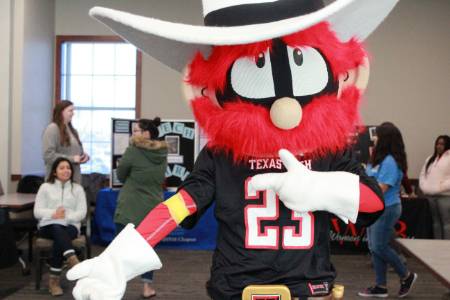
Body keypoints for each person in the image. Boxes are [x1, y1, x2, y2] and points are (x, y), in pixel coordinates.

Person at [67, 1, 400, 299]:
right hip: (252, 288)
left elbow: (371, 205)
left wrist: (322, 188)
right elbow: (182, 205)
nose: (284, 105)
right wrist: (122, 257)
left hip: (297, 288)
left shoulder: (325, 151)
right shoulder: (225, 154)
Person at [359, 122, 417, 298]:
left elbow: (381, 188)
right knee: (374, 247)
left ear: (385, 139)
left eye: (377, 135)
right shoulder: (377, 158)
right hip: (374, 208)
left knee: (379, 246)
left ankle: (406, 276)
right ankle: (381, 286)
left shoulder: (391, 161)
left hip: (387, 208)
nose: (374, 138)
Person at [114, 117, 168, 299]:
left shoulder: (133, 150)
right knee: (147, 250)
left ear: (146, 133)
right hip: (152, 209)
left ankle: (115, 288)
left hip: (129, 207)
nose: (133, 134)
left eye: (136, 131)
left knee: (120, 251)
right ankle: (147, 288)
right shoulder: (162, 153)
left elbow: (120, 175)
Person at [33, 157, 87, 296]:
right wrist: (53, 214)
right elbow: (37, 211)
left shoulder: (78, 188)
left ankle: (54, 282)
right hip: (48, 226)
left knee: (59, 236)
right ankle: (72, 258)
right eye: (62, 168)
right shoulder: (45, 187)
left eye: (68, 168)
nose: (66, 170)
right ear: (55, 172)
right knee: (57, 229)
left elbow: (82, 212)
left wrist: (65, 217)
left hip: (70, 226)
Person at [42, 100, 89, 184]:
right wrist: (72, 159)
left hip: (74, 181)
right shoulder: (52, 129)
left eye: (73, 111)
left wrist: (83, 157)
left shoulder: (73, 131)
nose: (73, 113)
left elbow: (75, 153)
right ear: (61, 112)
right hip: (57, 184)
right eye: (70, 111)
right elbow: (48, 155)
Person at [419, 135, 450, 239]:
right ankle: (437, 245)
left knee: (446, 224)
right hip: (431, 196)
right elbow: (423, 174)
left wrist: (441, 187)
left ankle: (446, 247)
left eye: (442, 144)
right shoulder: (430, 159)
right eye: (437, 143)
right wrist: (424, 187)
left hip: (445, 196)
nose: (439, 146)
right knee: (435, 223)